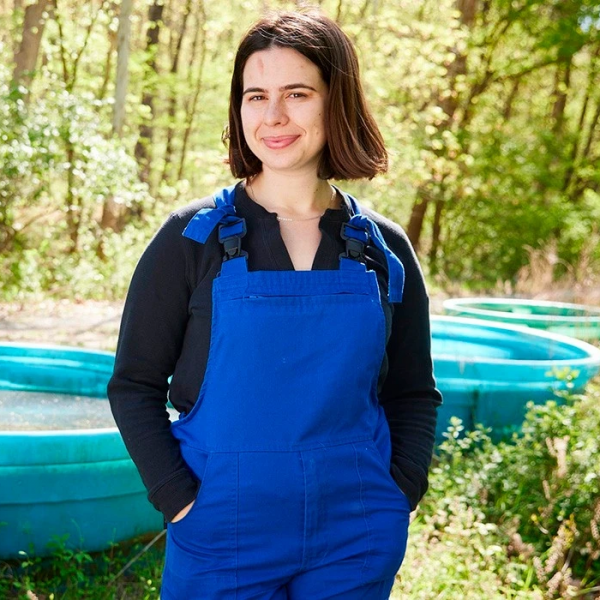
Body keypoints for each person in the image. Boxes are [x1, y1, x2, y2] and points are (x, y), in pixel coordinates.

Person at [108, 9, 441, 600]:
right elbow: (134, 385)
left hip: (355, 533)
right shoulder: (192, 239)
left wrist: (399, 492)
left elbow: (412, 391)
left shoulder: (383, 248)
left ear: (336, 101)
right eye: (255, 95)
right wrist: (179, 500)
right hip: (220, 530)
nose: (273, 116)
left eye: (298, 93)